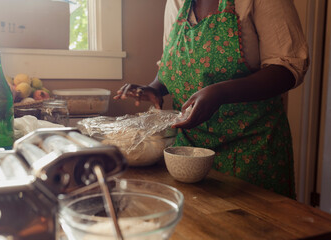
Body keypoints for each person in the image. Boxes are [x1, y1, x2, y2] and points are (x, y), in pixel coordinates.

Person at [114, 0, 309, 199]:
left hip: (252, 149)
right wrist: (155, 88)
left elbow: (287, 67)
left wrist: (220, 93)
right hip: (189, 151)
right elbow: (170, 62)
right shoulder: (177, 2)